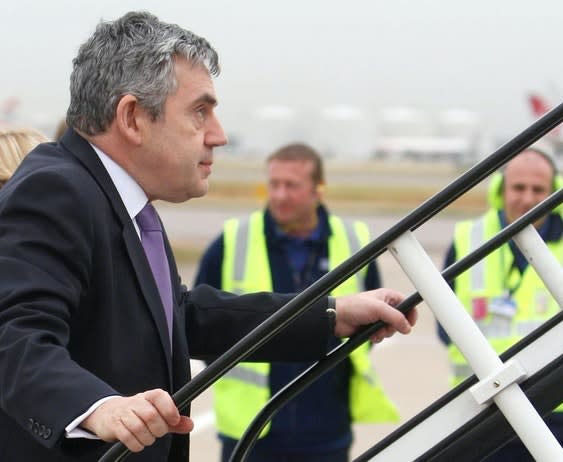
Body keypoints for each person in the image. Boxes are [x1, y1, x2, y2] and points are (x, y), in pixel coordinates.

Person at [0, 12, 417, 462]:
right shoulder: (58, 190)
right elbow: (13, 332)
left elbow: (182, 316)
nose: (218, 136)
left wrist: (329, 315)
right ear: (132, 118)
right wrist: (98, 408)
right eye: (200, 111)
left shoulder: (121, 203)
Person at [195, 142, 399, 462]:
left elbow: (369, 325)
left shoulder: (355, 241)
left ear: (319, 189)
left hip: (326, 429)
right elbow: (201, 322)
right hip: (250, 429)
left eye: (291, 185)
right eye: (273, 184)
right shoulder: (234, 240)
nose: (279, 195)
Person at [437, 143, 563, 461]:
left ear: (555, 191)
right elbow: (444, 325)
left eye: (539, 189)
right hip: (486, 417)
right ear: (500, 190)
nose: (528, 199)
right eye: (519, 187)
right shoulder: (468, 239)